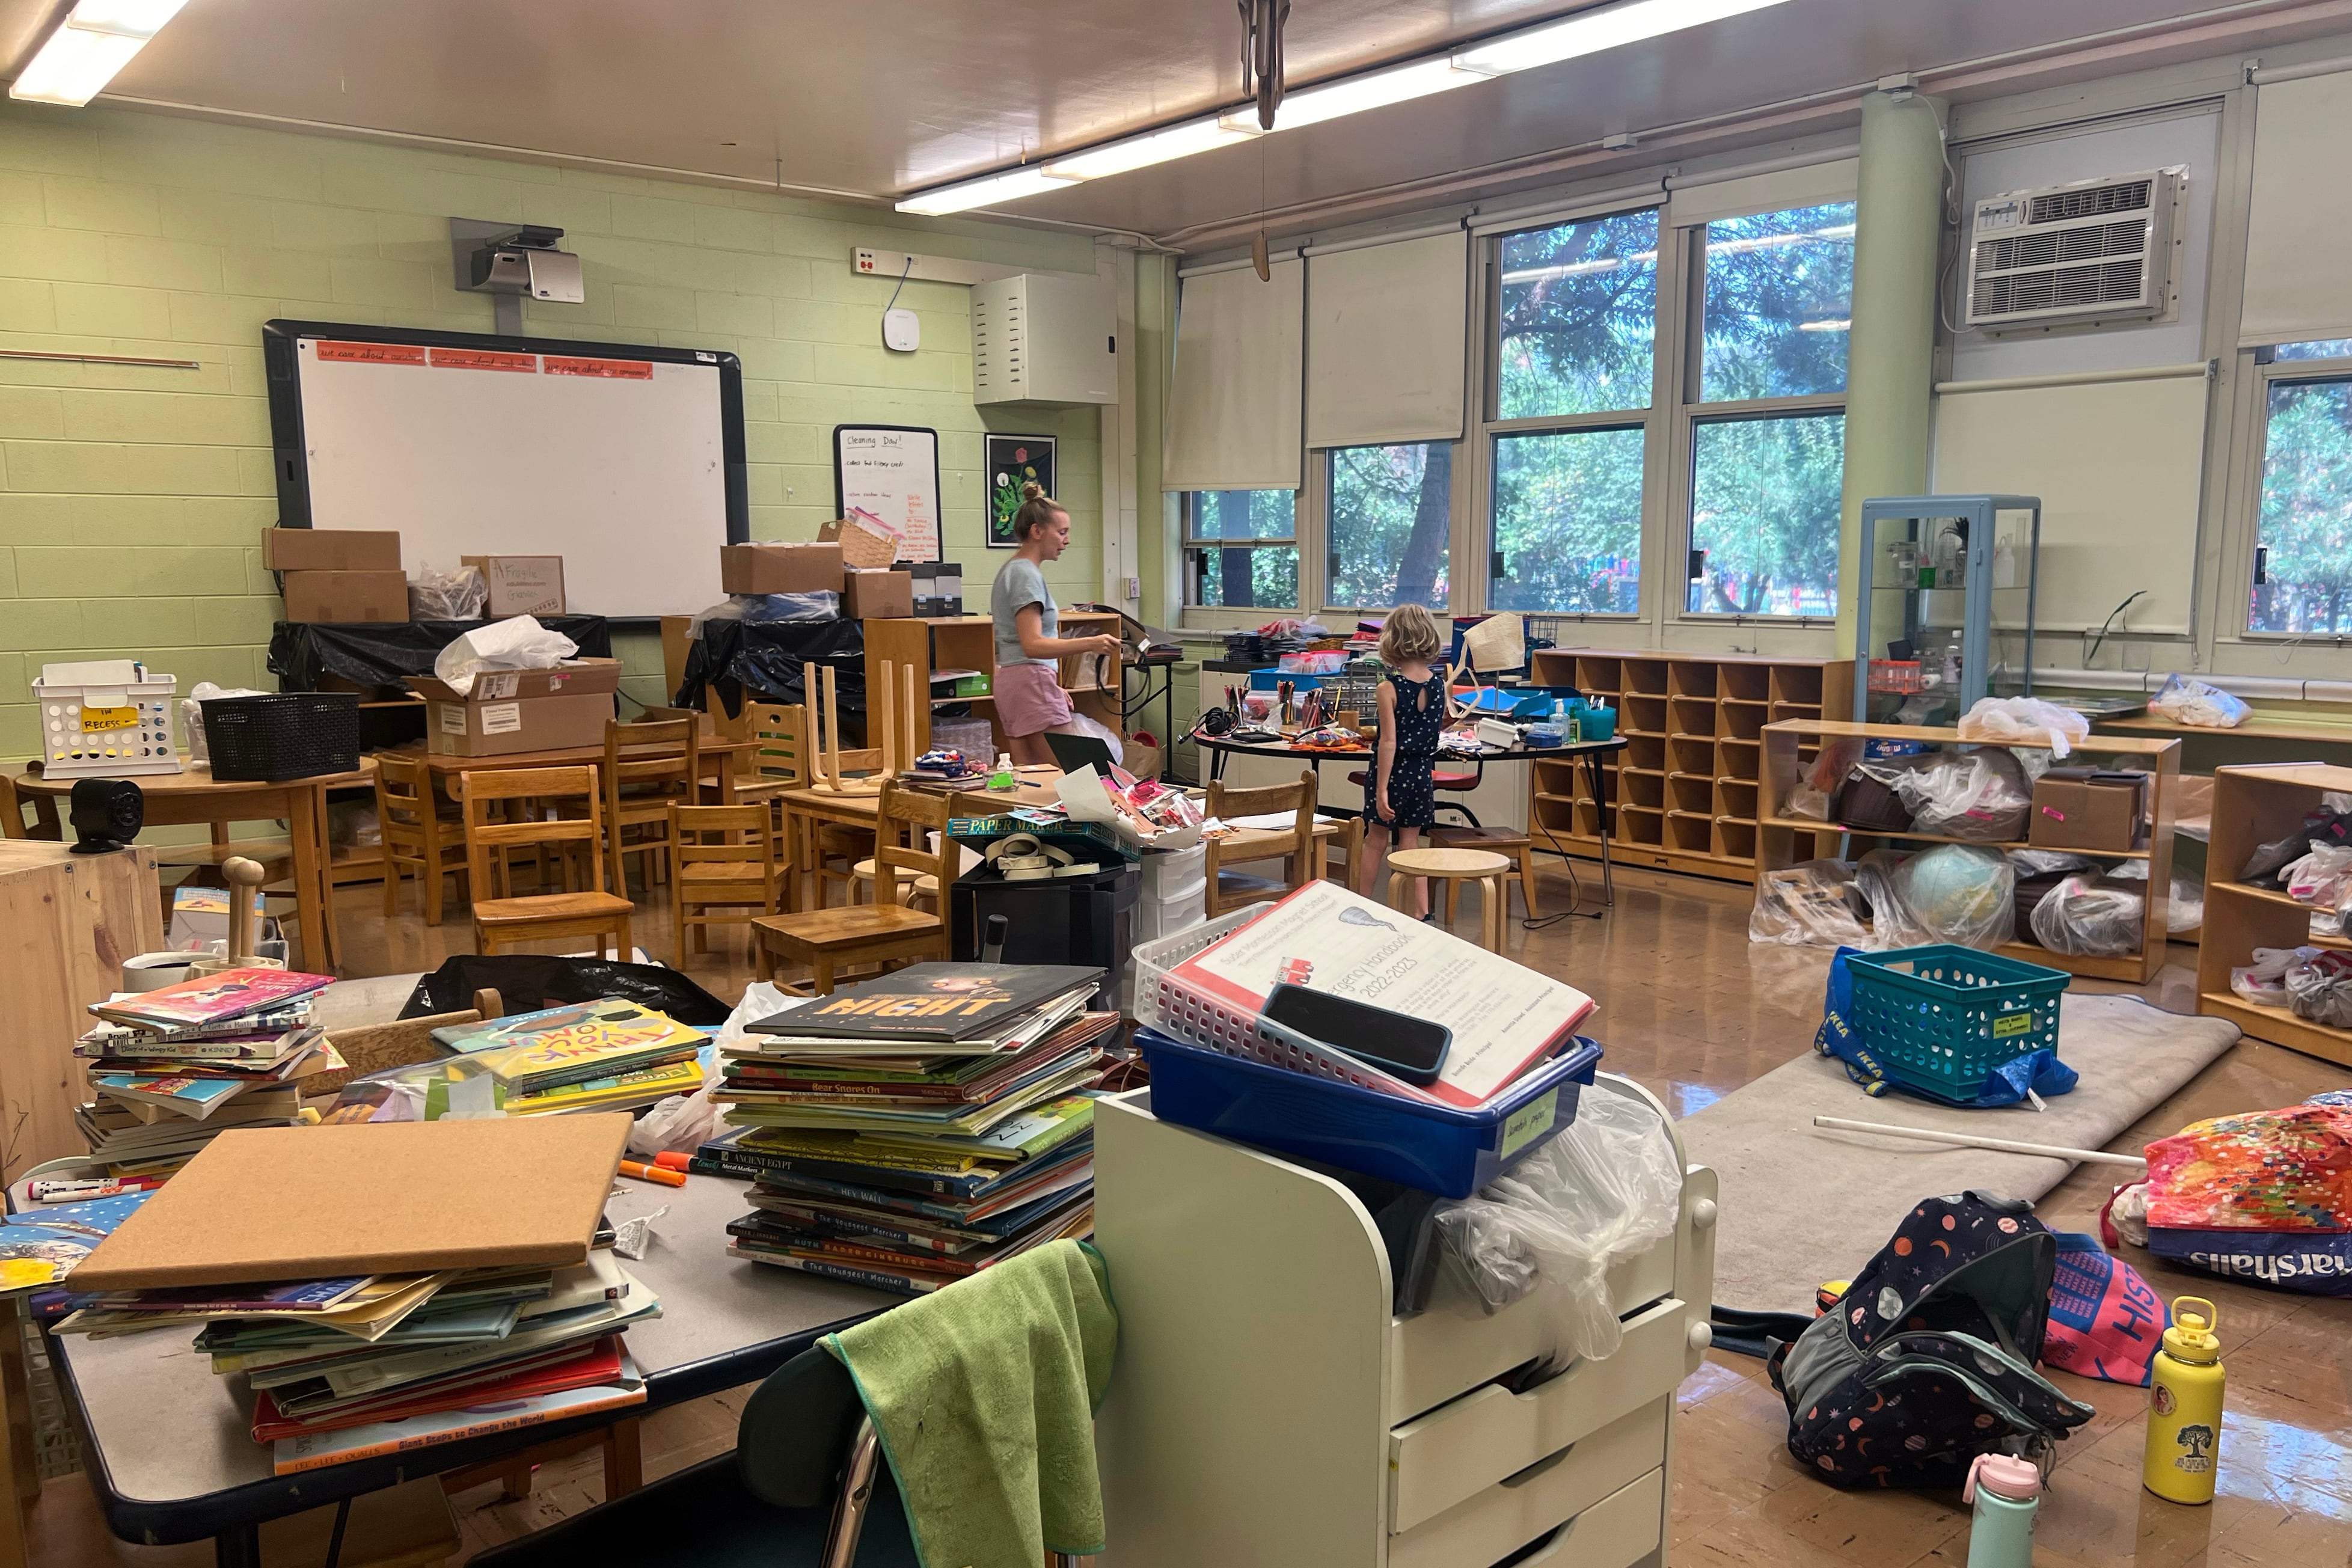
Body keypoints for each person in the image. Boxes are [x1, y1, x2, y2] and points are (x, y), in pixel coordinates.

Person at [989, 483, 1121, 768]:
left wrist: (1049, 686)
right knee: (1082, 772)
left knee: (1033, 777)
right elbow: (1033, 644)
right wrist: (1092, 643)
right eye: (1062, 532)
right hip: (1030, 680)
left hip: (1015, 682)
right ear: (1037, 531)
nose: (1067, 540)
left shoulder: (1011, 571)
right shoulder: (1026, 575)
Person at [1357, 604, 1447, 919]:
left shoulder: (1388, 688)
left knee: (1375, 840)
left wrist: (1381, 789)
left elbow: (1388, 743)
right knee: (1411, 842)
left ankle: (1362, 904)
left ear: (1393, 640)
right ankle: (1423, 913)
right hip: (1422, 772)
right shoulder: (1438, 685)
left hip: (1393, 773)